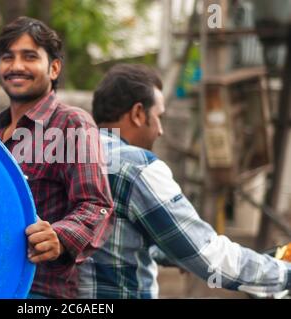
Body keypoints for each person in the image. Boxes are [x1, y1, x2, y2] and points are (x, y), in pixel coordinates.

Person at [78, 63, 291, 298]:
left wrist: (168, 252)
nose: (160, 130)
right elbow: (208, 256)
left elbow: (108, 240)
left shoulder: (72, 155)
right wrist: (285, 274)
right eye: (158, 117)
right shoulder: (136, 166)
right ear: (138, 114)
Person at [0, 16, 114, 299]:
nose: (17, 66)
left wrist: (58, 236)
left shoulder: (71, 123)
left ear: (54, 68)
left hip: (42, 292)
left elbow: (96, 205)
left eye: (29, 57)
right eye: (7, 57)